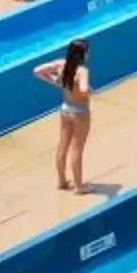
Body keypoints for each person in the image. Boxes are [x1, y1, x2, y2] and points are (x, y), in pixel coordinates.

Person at [35, 38, 91, 191]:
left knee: (63, 145)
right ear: (82, 55)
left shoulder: (60, 64)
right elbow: (85, 90)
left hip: (65, 109)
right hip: (80, 112)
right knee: (77, 148)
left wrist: (57, 82)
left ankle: (61, 181)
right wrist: (87, 91)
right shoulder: (82, 71)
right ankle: (79, 186)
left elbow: (38, 71)